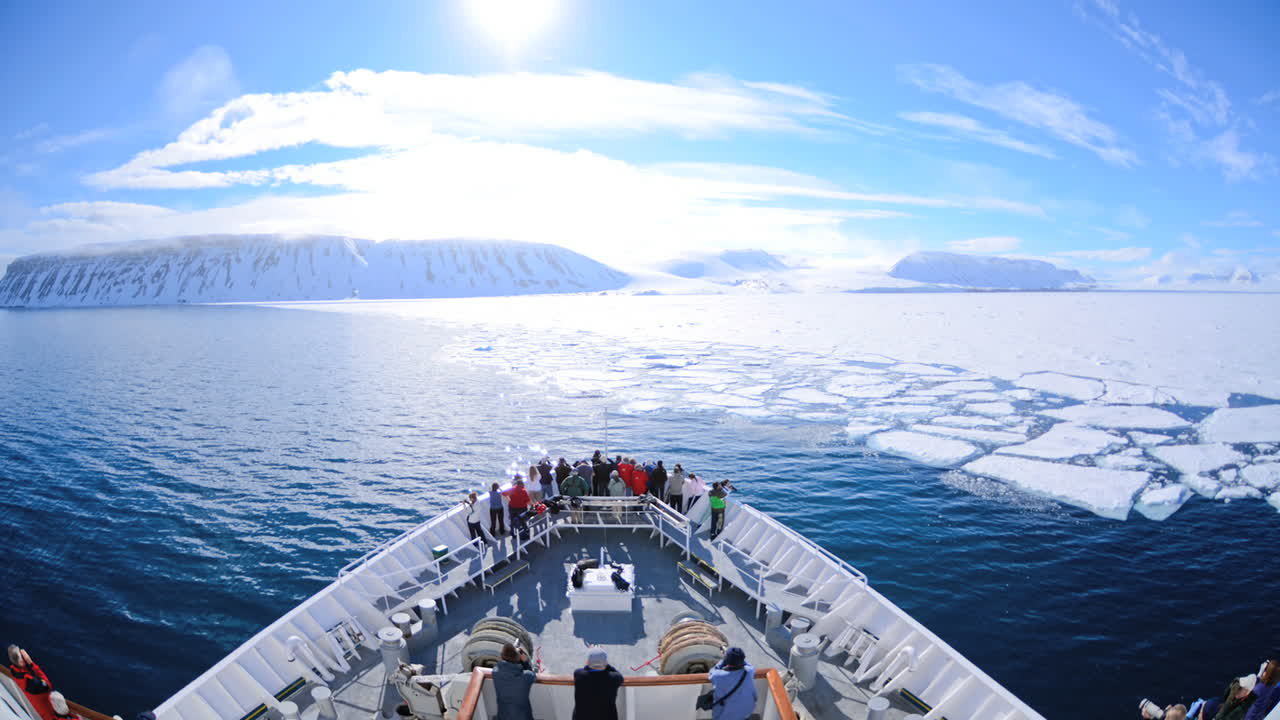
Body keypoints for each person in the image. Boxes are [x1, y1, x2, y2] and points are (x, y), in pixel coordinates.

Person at [572, 649, 623, 720]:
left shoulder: (579, 674)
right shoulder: (614, 677)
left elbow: (585, 668)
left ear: (588, 662)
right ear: (606, 662)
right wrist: (607, 665)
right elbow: (618, 674)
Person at [7, 645, 55, 720]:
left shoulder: (13, 670)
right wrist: (30, 662)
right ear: (21, 661)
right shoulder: (32, 682)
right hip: (47, 711)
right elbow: (48, 685)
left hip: (37, 703)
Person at [707, 647, 756, 720]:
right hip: (745, 714)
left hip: (724, 717)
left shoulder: (718, 676)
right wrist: (736, 658)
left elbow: (712, 671)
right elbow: (747, 665)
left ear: (727, 660)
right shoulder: (749, 671)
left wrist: (723, 660)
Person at [492, 643, 536, 720]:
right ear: (518, 658)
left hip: (503, 717)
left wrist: (515, 654)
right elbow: (533, 675)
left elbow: (502, 666)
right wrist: (525, 662)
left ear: (502, 656)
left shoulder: (495, 672)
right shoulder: (526, 676)